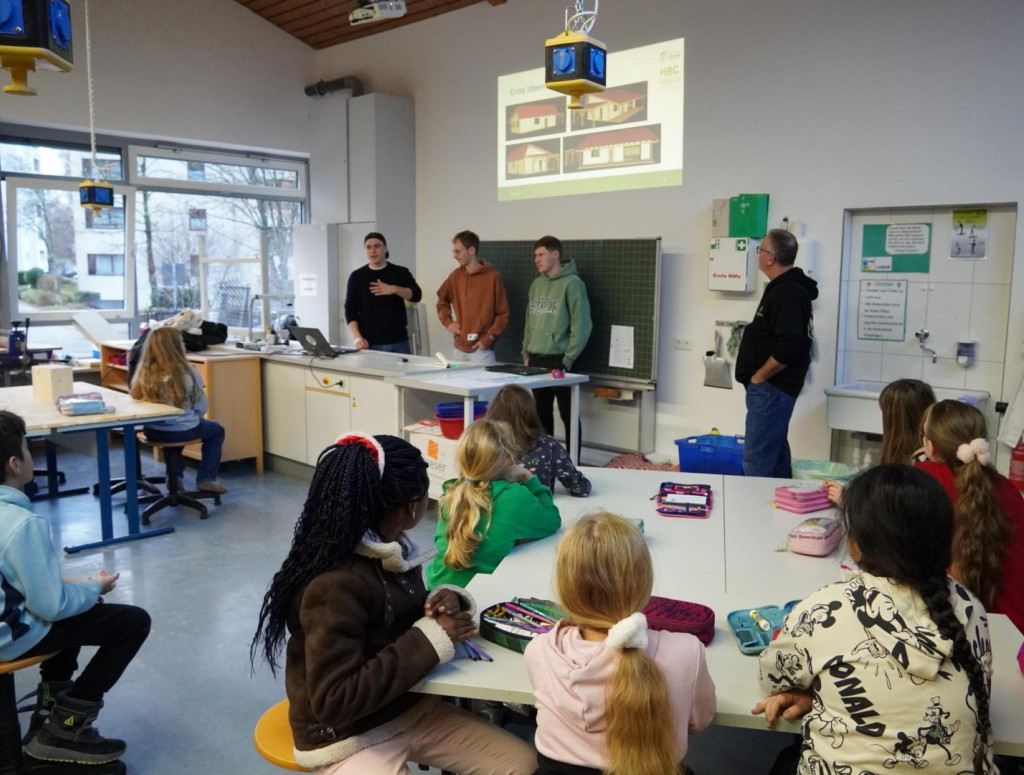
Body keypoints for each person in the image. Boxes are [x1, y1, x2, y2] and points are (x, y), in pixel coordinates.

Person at [251, 432, 536, 774]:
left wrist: (438, 604)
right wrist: (432, 636)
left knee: (525, 766)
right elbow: (335, 700)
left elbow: (388, 622)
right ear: (412, 507)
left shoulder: (389, 549)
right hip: (345, 735)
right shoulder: (333, 585)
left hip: (406, 708)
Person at [753, 465, 996, 774]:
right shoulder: (970, 607)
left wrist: (817, 691)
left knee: (785, 759)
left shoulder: (827, 608)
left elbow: (770, 675)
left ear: (857, 542)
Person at [0, 410, 151, 765]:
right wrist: (93, 588)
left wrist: (72, 592)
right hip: (7, 637)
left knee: (77, 613)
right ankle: (65, 727)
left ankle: (50, 710)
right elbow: (50, 606)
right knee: (131, 622)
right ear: (13, 464)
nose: (30, 455)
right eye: (27, 448)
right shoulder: (21, 523)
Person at [525, 511, 716, 775]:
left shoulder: (540, 650)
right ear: (644, 582)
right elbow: (699, 721)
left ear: (564, 588)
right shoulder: (688, 652)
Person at [916, 399, 1024, 634]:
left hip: (955, 628)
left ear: (930, 446)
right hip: (1014, 632)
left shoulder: (922, 481)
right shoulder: (1007, 489)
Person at [425, 419, 561, 588]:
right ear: (509, 459)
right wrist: (529, 479)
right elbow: (552, 520)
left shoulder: (451, 492)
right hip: (479, 599)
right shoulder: (515, 496)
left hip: (436, 591)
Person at [735, 228, 818, 478]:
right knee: (777, 460)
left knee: (757, 463)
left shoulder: (788, 292)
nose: (758, 254)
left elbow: (791, 345)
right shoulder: (784, 287)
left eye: (760, 249)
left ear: (770, 258)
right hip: (773, 391)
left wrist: (759, 377)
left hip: (771, 390)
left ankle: (753, 514)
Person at [130, 326, 228, 494]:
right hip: (182, 428)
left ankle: (175, 479)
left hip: (152, 430)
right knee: (215, 430)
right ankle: (206, 479)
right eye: (182, 342)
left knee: (173, 435)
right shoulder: (187, 370)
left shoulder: (144, 370)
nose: (184, 345)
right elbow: (200, 405)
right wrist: (193, 418)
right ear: (176, 346)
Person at [522, 235, 592, 454]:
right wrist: (526, 351)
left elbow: (582, 325)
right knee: (541, 415)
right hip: (536, 358)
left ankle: (573, 465)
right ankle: (546, 460)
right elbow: (529, 321)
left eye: (541, 254)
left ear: (555, 254)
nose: (536, 260)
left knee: (568, 414)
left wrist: (568, 359)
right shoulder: (537, 284)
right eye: (535, 255)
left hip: (560, 360)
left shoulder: (573, 284)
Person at [826, 378, 936, 505]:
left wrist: (848, 502)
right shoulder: (927, 453)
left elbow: (889, 512)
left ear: (895, 420)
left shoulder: (919, 463)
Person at [485, 384, 591, 497]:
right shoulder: (548, 445)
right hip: (538, 509)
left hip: (495, 510)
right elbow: (580, 488)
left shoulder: (485, 443)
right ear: (531, 413)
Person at [435, 230, 510, 364]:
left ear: (471, 250)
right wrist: (448, 323)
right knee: (456, 384)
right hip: (459, 348)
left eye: (458, 252)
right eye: (454, 252)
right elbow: (442, 300)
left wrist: (489, 338)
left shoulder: (493, 278)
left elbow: (503, 314)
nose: (455, 256)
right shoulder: (455, 276)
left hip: (481, 351)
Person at [345, 232, 423, 354]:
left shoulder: (400, 272)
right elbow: (350, 310)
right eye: (368, 247)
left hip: (398, 342)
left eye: (377, 246)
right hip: (368, 343)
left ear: (385, 249)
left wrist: (396, 289)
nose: (373, 251)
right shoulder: (357, 276)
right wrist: (357, 337)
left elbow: (416, 295)